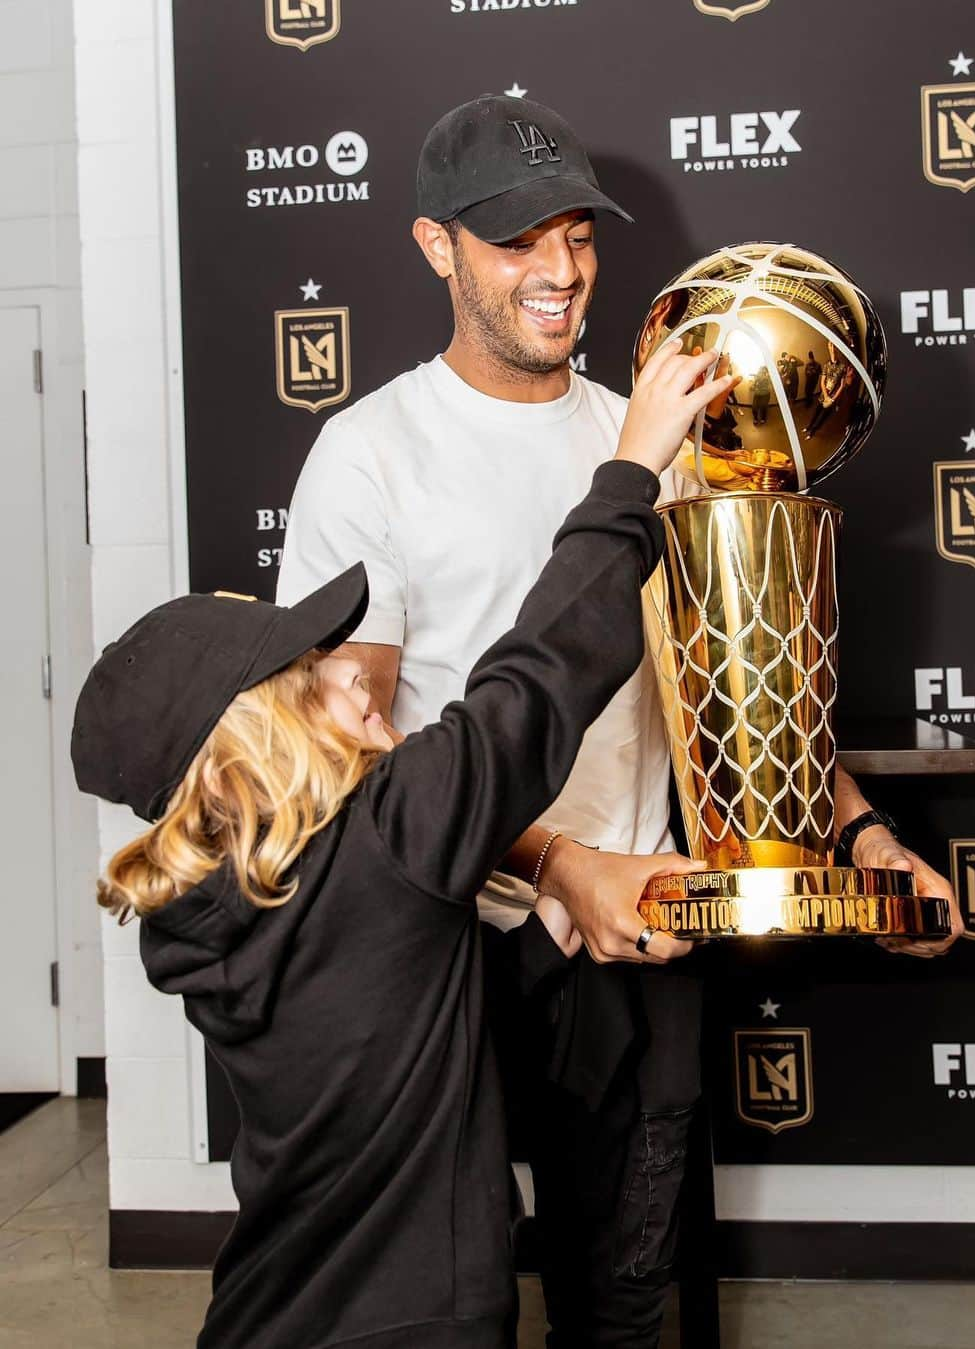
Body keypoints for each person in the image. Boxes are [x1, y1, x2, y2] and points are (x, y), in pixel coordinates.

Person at [278, 94, 961, 1349]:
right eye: (515, 240)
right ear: (436, 247)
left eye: (578, 236)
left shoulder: (652, 437)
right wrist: (553, 860)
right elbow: (344, 751)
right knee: (453, 1302)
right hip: (445, 944)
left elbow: (743, 688)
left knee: (629, 1304)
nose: (559, 271)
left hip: (640, 929)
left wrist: (865, 840)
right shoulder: (368, 455)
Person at [69, 343, 730, 1349]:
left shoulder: (211, 901)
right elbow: (541, 672)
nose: (359, 685)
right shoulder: (393, 834)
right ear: (254, 746)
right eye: (312, 680)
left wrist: (570, 895)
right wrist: (632, 466)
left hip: (269, 1314)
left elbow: (409, 994)